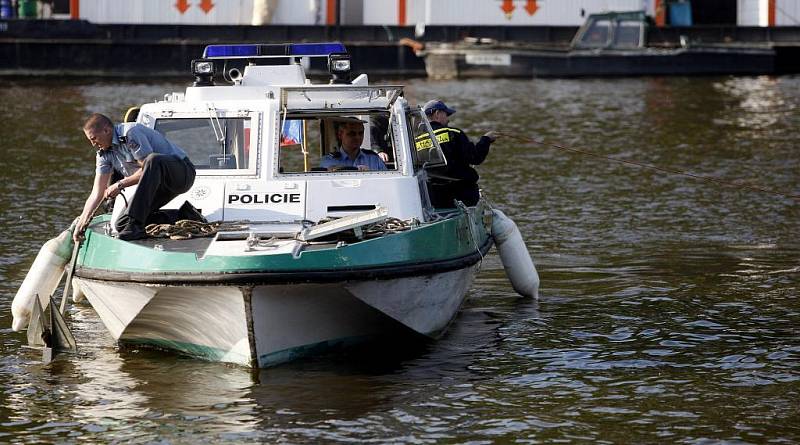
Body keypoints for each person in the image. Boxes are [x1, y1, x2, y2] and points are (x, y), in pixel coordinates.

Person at [76, 113, 199, 242]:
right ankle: (185, 215)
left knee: (152, 160)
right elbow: (97, 192)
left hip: (182, 174)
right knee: (122, 224)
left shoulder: (131, 133)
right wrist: (82, 221)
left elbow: (148, 168)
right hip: (156, 184)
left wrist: (120, 184)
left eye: (94, 138)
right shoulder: (103, 155)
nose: (93, 144)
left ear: (106, 130)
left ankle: (135, 229)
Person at [421, 99, 497, 207]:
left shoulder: (416, 140)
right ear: (437, 114)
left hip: (434, 199)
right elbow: (475, 158)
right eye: (446, 115)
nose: (448, 120)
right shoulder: (454, 133)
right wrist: (486, 140)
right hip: (461, 196)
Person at [320, 120, 387, 171]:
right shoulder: (329, 161)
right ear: (340, 135)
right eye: (352, 133)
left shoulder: (374, 159)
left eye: (360, 133)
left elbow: (386, 184)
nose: (357, 137)